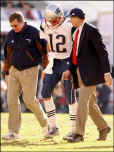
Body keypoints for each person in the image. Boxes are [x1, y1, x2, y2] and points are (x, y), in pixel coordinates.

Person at [2, 11, 52, 140]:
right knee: (11, 100)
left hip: (30, 70)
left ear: (22, 22)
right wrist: (6, 72)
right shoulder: (11, 34)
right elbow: (7, 55)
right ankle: (13, 132)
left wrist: (47, 68)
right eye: (11, 26)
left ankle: (46, 125)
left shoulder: (34, 32)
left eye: (15, 25)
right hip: (14, 71)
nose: (13, 28)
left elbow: (44, 51)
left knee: (29, 100)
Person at [67, 8, 112, 142]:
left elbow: (102, 52)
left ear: (79, 18)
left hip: (92, 73)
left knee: (82, 101)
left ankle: (78, 134)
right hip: (79, 72)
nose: (70, 20)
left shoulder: (91, 30)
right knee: (90, 104)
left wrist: (106, 72)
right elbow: (75, 53)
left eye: (72, 18)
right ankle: (103, 127)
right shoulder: (75, 31)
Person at [40, 4, 78, 139]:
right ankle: (53, 126)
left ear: (60, 16)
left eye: (55, 19)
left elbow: (77, 44)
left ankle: (74, 129)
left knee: (70, 96)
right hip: (53, 61)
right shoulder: (43, 24)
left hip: (67, 61)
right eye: (50, 20)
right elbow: (46, 44)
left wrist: (73, 65)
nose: (52, 22)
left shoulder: (69, 25)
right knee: (45, 93)